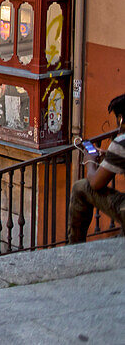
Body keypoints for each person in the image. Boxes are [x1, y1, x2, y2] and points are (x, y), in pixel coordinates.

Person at [68, 93, 125, 243]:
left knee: (80, 188)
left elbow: (95, 183)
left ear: (121, 118)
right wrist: (109, 155)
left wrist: (90, 161)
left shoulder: (121, 143)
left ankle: (74, 246)